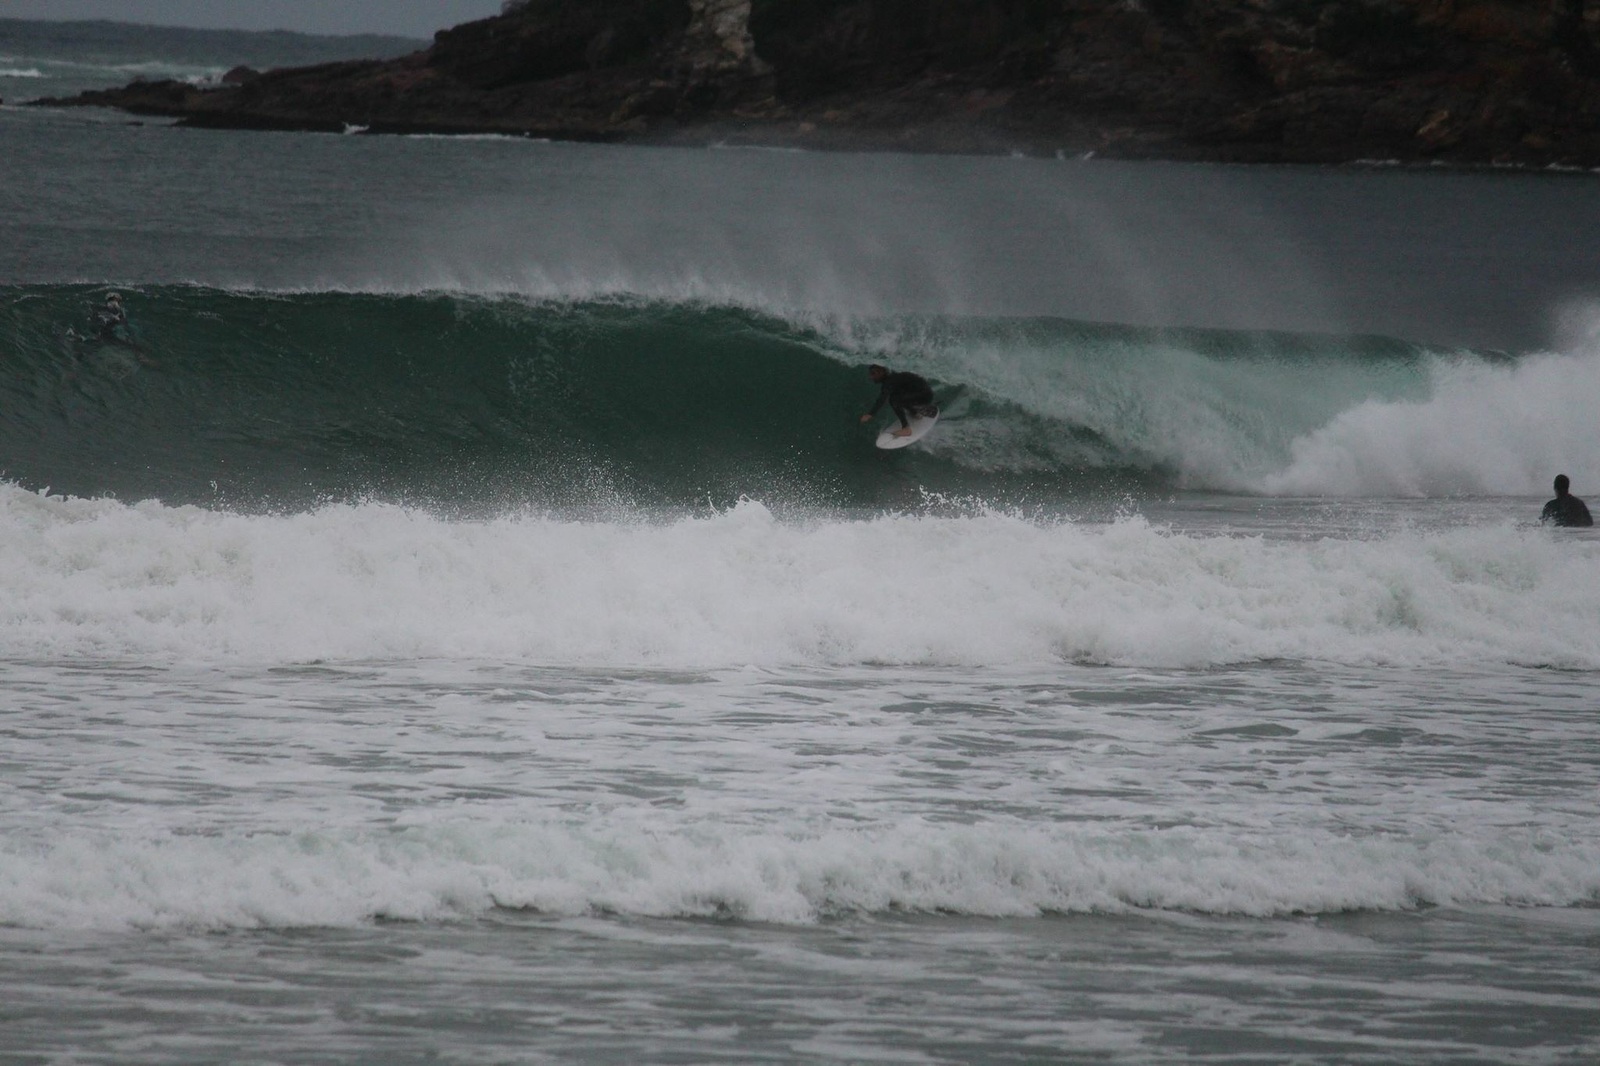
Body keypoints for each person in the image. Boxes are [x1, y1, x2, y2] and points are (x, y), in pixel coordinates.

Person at [859, 364, 937, 438]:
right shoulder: (894, 377)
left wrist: (870, 414)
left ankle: (906, 428)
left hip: (924, 395)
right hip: (925, 394)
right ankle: (916, 413)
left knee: (894, 400)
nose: (871, 377)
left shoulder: (889, 382)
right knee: (898, 396)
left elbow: (882, 399)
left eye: (873, 374)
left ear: (881, 372)